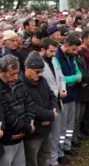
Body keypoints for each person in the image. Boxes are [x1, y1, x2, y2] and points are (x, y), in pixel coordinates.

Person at [0, 55, 36, 166]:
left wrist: (28, 122)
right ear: (1, 72)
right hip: (8, 139)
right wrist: (27, 128)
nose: (16, 77)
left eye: (17, 73)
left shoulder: (19, 82)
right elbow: (6, 115)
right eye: (12, 74)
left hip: (20, 136)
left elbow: (29, 103)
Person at [21, 51, 58, 166]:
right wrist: (50, 115)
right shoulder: (20, 84)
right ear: (27, 68)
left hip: (46, 130)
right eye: (37, 72)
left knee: (45, 155)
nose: (40, 74)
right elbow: (29, 106)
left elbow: (52, 96)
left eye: (42, 71)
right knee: (32, 160)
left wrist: (53, 110)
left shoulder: (42, 80)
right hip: (33, 133)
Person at [39, 38, 69, 166]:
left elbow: (61, 76)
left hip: (58, 100)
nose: (53, 53)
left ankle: (56, 156)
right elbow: (43, 86)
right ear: (42, 50)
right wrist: (57, 94)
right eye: (51, 51)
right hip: (48, 103)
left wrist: (62, 89)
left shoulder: (53, 61)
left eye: (54, 50)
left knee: (58, 132)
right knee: (50, 136)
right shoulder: (39, 64)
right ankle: (51, 160)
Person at [53, 34, 82, 157]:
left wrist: (77, 76)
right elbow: (60, 78)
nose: (76, 52)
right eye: (74, 49)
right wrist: (75, 78)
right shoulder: (56, 58)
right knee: (62, 126)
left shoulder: (71, 56)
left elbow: (78, 71)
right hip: (62, 98)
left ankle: (67, 146)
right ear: (66, 46)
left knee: (70, 124)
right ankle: (59, 152)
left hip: (72, 94)